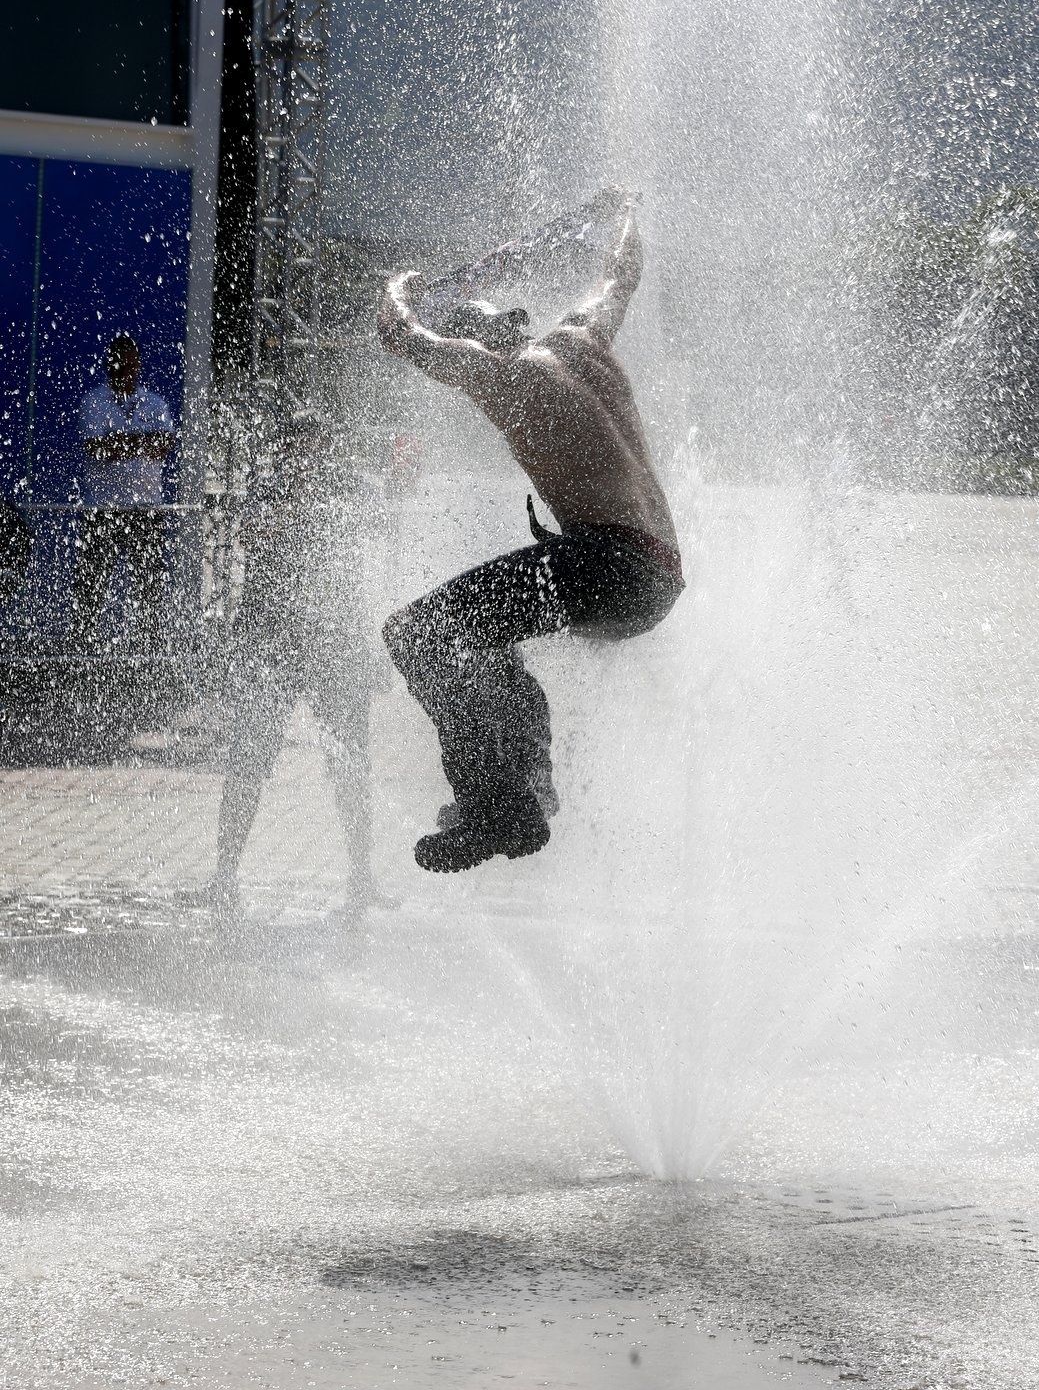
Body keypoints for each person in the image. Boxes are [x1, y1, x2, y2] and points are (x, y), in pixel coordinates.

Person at [377, 189, 685, 874]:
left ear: (480, 342)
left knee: (416, 633)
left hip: (606, 563)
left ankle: (492, 801)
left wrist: (395, 288)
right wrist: (627, 209)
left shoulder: (499, 378)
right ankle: (527, 786)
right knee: (487, 640)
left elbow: (401, 336)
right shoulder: (581, 336)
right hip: (658, 579)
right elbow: (619, 275)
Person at [207, 422, 376, 918]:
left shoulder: (340, 494)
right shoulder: (269, 494)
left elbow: (351, 577)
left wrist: (365, 648)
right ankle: (223, 874)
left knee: (351, 761)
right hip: (275, 645)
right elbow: (256, 572)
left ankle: (363, 875)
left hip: (331, 645)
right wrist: (241, 646)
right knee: (247, 761)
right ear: (289, 451)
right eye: (301, 446)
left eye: (317, 445)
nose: (309, 455)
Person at [72, 334, 176, 648]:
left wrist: (120, 442)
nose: (125, 369)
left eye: (131, 363)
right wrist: (140, 442)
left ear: (138, 365)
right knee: (92, 582)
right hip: (102, 508)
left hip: (145, 508)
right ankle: (83, 644)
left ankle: (153, 647)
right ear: (109, 365)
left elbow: (164, 448)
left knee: (150, 584)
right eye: (119, 363)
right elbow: (96, 449)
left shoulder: (154, 402)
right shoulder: (94, 401)